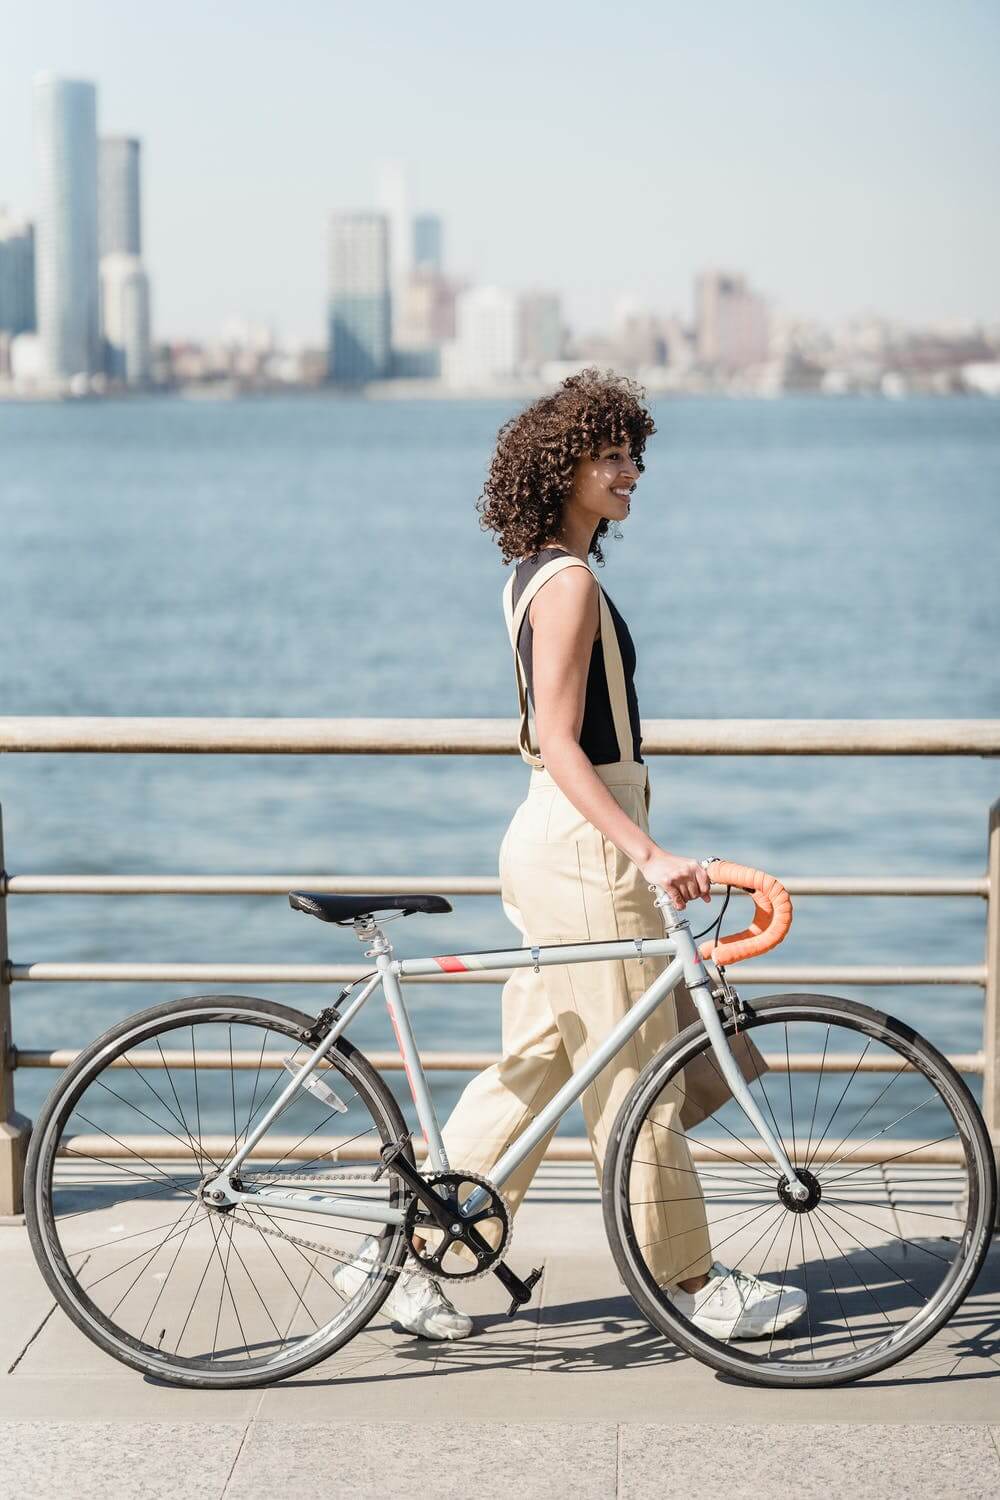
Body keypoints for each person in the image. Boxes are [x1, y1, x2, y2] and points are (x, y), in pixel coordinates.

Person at [335, 369, 806, 1343]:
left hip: (561, 840)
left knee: (538, 1065)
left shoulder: (540, 575)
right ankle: (690, 1287)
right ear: (567, 468)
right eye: (613, 456)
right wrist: (647, 850)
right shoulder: (570, 583)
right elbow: (559, 738)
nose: (633, 471)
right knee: (639, 1072)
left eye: (635, 454)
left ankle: (399, 1259)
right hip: (586, 845)